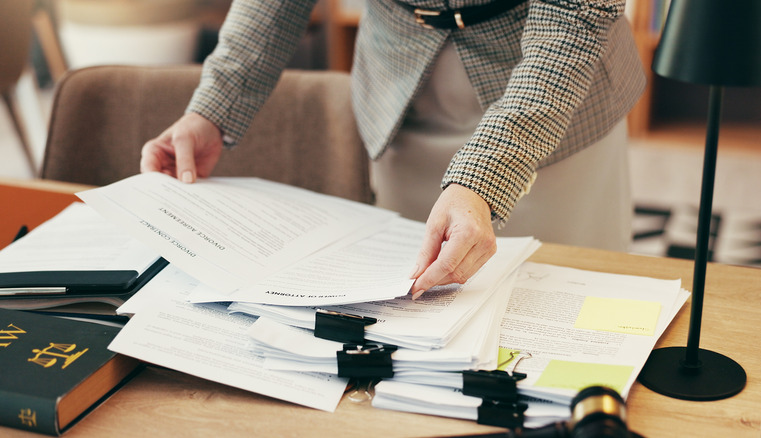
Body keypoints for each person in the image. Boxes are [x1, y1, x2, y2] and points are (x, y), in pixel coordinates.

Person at [140, 0, 645, 299]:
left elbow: (575, 15)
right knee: (420, 300)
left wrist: (484, 177)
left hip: (552, 95)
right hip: (399, 80)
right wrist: (214, 105)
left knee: (564, 294)